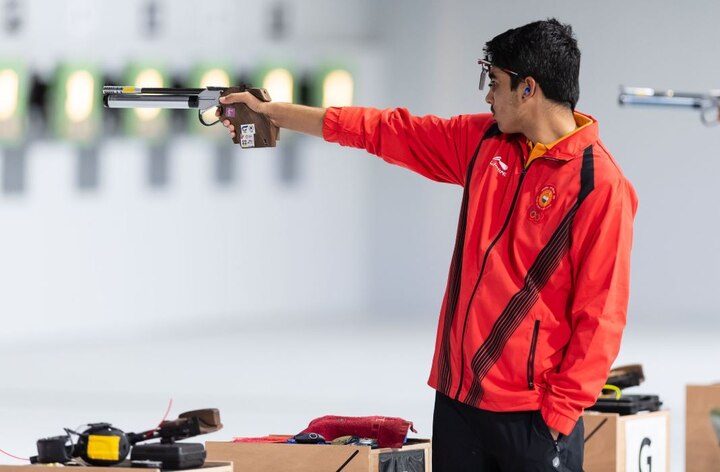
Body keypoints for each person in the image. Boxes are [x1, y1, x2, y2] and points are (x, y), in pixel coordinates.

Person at [219, 18, 637, 472]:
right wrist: (274, 113)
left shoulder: (600, 186)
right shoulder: (483, 143)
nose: (487, 95)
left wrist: (559, 416)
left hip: (532, 419)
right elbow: (383, 130)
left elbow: (601, 316)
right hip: (458, 403)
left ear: (528, 89)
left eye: (493, 82)